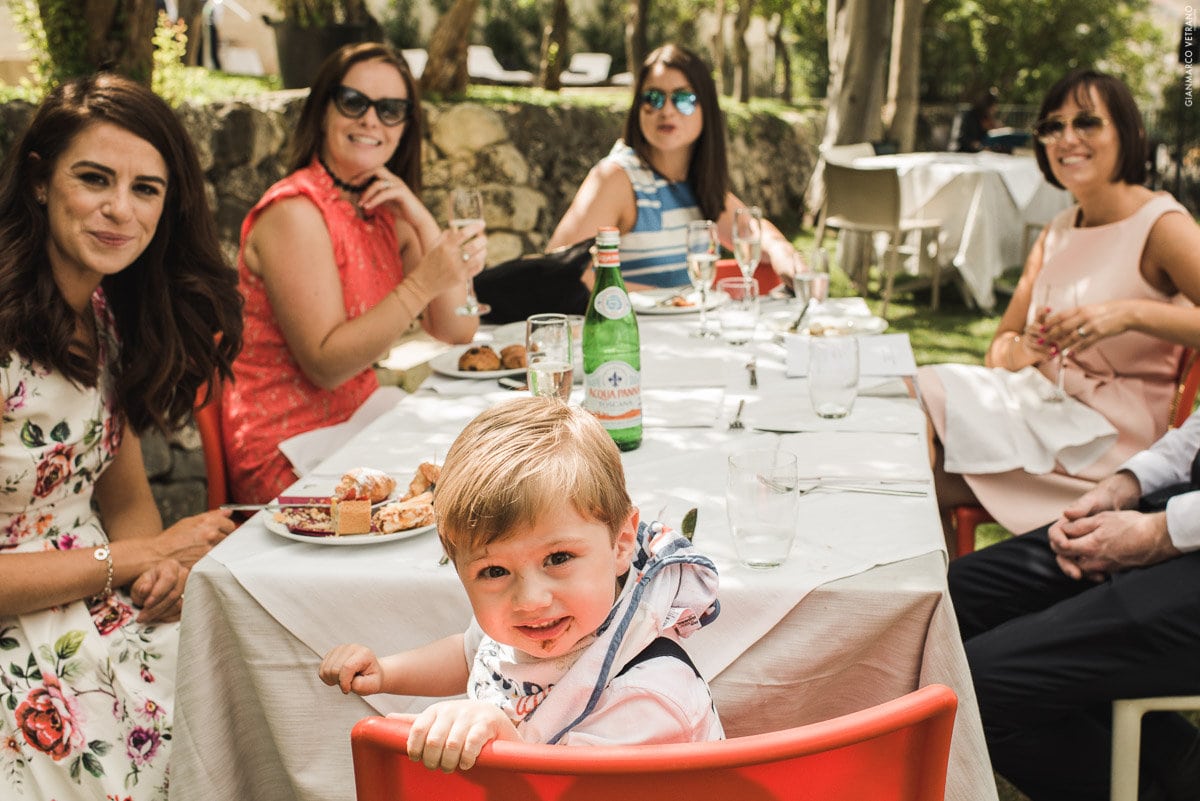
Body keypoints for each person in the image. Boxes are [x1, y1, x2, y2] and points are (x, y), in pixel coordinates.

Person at [0, 74, 243, 799]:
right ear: (41, 182)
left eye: (146, 189)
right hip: (18, 628)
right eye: (95, 179)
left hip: (97, 602)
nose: (119, 209)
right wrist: (140, 555)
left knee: (253, 684)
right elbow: (138, 537)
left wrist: (156, 571)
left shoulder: (105, 315)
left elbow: (126, 494)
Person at [319, 397, 722, 770]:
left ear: (620, 544)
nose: (530, 600)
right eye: (494, 572)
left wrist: (501, 733)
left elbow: (562, 788)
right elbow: (471, 655)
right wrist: (386, 672)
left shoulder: (648, 694)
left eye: (559, 558)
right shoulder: (530, 627)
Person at [919, 69, 1200, 541]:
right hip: (1038, 413)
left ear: (1129, 134)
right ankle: (942, 604)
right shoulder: (1058, 230)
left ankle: (934, 606)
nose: (1066, 138)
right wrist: (1028, 349)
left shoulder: (1161, 225)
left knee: (915, 439)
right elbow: (999, 350)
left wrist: (1130, 313)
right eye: (1052, 126)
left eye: (1087, 122)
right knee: (909, 436)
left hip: (1109, 445)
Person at [222, 42, 483, 504]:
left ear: (406, 125)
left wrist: (423, 221)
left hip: (360, 424)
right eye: (354, 102)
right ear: (323, 111)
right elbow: (325, 366)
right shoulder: (295, 212)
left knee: (480, 477)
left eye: (390, 110)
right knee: (454, 501)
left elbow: (456, 328)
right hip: (288, 448)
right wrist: (424, 281)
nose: (371, 121)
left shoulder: (384, 207)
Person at [949, 408, 1200, 801]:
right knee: (957, 598)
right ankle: (1176, 755)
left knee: (979, 685)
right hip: (1184, 511)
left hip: (1184, 532)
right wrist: (1124, 484)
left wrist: (1160, 533)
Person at [547, 44, 799, 291]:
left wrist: (780, 249)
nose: (666, 110)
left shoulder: (695, 182)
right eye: (653, 98)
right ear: (638, 108)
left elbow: (749, 232)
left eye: (683, 98)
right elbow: (559, 275)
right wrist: (668, 299)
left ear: (706, 108)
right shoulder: (617, 178)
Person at [953, 88, 1002, 153]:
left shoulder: (988, 118)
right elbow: (962, 138)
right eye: (993, 107)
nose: (995, 110)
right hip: (967, 151)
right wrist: (974, 144)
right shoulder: (971, 116)